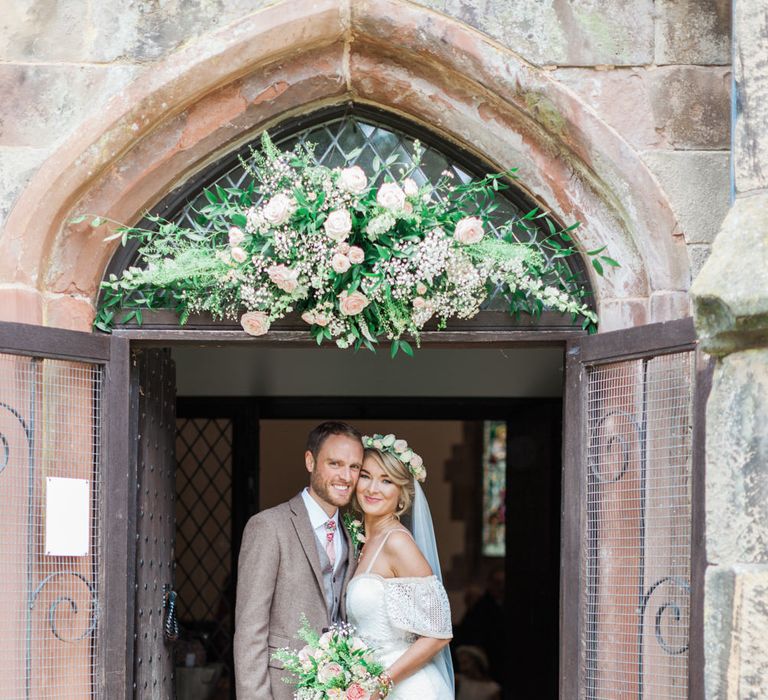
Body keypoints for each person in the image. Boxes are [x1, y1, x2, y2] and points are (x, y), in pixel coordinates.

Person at [233, 421, 364, 700]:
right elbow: (250, 630)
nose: (346, 476)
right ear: (310, 461)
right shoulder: (268, 527)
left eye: (354, 467)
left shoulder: (352, 534)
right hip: (283, 689)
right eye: (335, 464)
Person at [346, 434, 454, 699]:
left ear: (402, 495)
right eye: (366, 476)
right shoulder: (363, 541)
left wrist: (381, 685)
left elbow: (438, 634)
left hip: (407, 689)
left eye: (386, 481)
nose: (372, 489)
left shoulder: (397, 543)